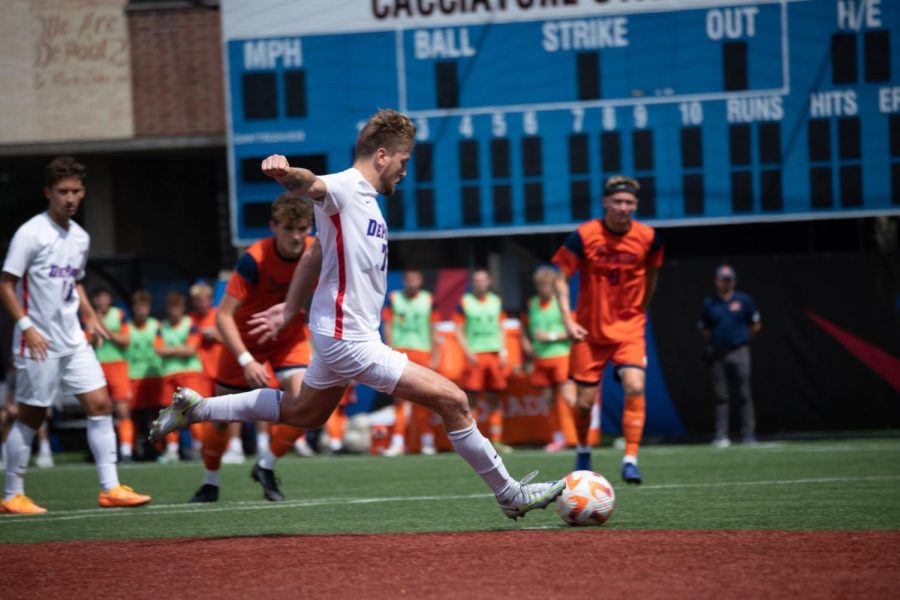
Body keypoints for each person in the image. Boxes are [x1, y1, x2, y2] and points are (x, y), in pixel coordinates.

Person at [150, 108, 564, 519]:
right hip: (349, 338)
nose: (404, 171)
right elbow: (309, 184)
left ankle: (198, 409)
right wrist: (284, 172)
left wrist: (290, 308)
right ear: (382, 155)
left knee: (304, 413)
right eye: (404, 160)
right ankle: (509, 493)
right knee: (453, 399)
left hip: (341, 334)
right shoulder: (345, 188)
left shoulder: (367, 204)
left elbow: (313, 253)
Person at [0, 157, 150, 514]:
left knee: (100, 405)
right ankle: (11, 494)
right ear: (48, 192)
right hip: (37, 341)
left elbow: (75, 280)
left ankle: (110, 488)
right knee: (31, 416)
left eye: (76, 191)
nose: (70, 198)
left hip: (73, 338)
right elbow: (6, 285)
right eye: (63, 191)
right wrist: (26, 327)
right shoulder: (30, 233)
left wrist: (90, 315)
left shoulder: (80, 236)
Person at [188, 193, 316, 503]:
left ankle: (265, 464)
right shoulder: (254, 259)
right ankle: (210, 483)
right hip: (244, 342)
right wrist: (246, 359)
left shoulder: (316, 252)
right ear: (274, 226)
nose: (297, 236)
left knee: (306, 408)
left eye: (302, 228)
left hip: (289, 338)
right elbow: (223, 317)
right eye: (288, 228)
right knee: (218, 418)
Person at [552, 175, 663, 485]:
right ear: (605, 203)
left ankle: (630, 458)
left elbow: (652, 273)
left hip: (629, 327)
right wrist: (568, 321)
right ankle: (585, 450)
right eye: (617, 202)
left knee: (635, 387)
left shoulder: (648, 237)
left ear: (636, 205)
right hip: (589, 331)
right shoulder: (586, 235)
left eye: (629, 203)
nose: (623, 208)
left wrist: (642, 306)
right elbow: (559, 278)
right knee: (585, 403)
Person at [699, 264, 761, 447]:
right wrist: (718, 342)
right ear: (716, 281)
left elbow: (755, 324)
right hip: (719, 353)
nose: (726, 283)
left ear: (733, 281)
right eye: (722, 280)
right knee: (721, 395)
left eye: (729, 279)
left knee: (744, 393)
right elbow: (704, 328)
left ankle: (748, 432)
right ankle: (721, 435)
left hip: (740, 351)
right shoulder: (710, 303)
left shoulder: (744, 300)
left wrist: (740, 339)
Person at [381, 269, 441, 456]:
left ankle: (427, 442)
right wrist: (390, 350)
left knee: (424, 399)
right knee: (400, 400)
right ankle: (397, 442)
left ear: (421, 280)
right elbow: (388, 325)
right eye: (409, 279)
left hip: (423, 351)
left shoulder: (429, 299)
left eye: (415, 279)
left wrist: (435, 356)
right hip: (401, 351)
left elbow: (434, 329)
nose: (412, 282)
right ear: (404, 280)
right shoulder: (394, 297)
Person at [454, 269, 511, 453]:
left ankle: (497, 440)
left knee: (495, 399)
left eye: (483, 280)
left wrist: (503, 350)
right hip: (476, 355)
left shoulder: (496, 301)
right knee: (470, 401)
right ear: (473, 283)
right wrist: (467, 352)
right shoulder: (465, 302)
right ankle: (473, 443)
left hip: (494, 354)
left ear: (489, 282)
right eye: (477, 280)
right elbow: (458, 329)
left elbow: (502, 327)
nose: (480, 283)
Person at [520, 266, 575, 453]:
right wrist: (526, 344)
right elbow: (524, 327)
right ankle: (557, 438)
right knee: (549, 401)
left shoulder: (561, 303)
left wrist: (550, 336)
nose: (545, 288)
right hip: (541, 359)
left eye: (548, 285)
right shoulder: (532, 304)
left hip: (561, 356)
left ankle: (577, 436)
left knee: (569, 398)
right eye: (541, 285)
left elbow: (572, 331)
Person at [154, 290, 207, 463]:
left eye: (177, 306)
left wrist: (171, 350)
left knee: (195, 411)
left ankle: (199, 448)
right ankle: (172, 450)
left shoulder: (190, 323)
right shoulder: (162, 327)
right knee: (171, 413)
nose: (174, 310)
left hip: (190, 373)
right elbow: (159, 350)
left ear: (183, 308)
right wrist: (180, 348)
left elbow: (191, 350)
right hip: (169, 374)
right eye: (171, 307)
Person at [90, 287, 134, 461]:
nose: (101, 301)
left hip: (117, 366)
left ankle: (126, 450)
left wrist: (104, 327)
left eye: (104, 296)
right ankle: (104, 452)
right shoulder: (89, 315)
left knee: (123, 409)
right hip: (96, 365)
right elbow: (85, 340)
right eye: (98, 297)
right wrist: (94, 330)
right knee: (99, 409)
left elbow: (125, 340)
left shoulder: (119, 314)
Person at [125, 289, 164, 457]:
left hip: (155, 375)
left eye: (144, 306)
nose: (141, 310)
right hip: (134, 376)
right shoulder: (126, 327)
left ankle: (158, 449)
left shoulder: (157, 325)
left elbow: (162, 347)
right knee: (135, 416)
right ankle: (134, 450)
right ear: (133, 308)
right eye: (138, 306)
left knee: (157, 415)